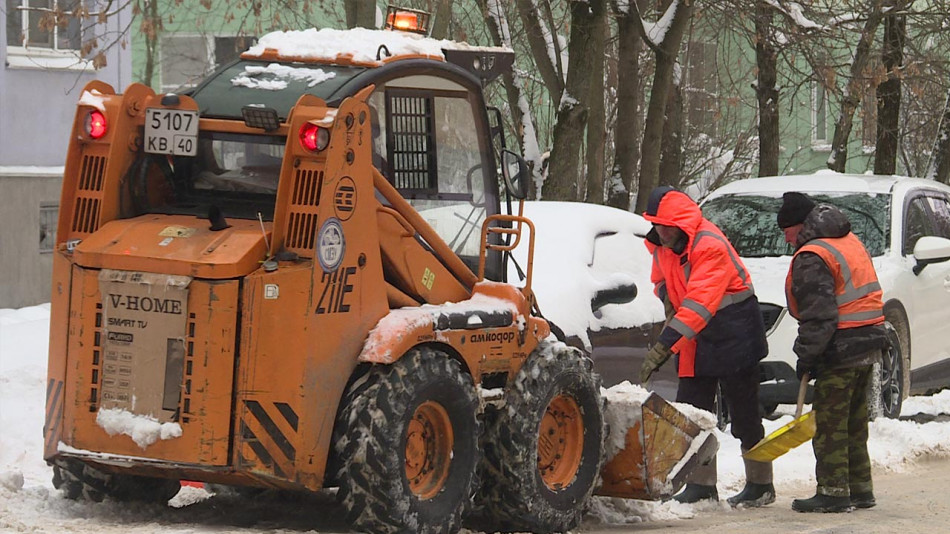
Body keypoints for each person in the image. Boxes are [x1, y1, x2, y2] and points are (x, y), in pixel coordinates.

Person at [639, 186, 772, 507]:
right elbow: (662, 279)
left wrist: (663, 347)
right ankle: (700, 485)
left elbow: (699, 305)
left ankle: (760, 484)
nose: (660, 231)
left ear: (681, 223)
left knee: (744, 415)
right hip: (696, 337)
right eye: (656, 225)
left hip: (735, 333)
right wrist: (666, 297)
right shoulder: (661, 246)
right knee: (691, 412)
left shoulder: (709, 246)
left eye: (665, 225)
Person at [777, 192, 886, 513]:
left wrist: (807, 356)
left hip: (841, 347)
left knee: (830, 423)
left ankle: (834, 492)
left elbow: (819, 315)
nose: (785, 238)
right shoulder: (847, 240)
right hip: (869, 342)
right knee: (854, 421)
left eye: (787, 231)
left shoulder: (813, 255)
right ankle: (861, 489)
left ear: (800, 225)